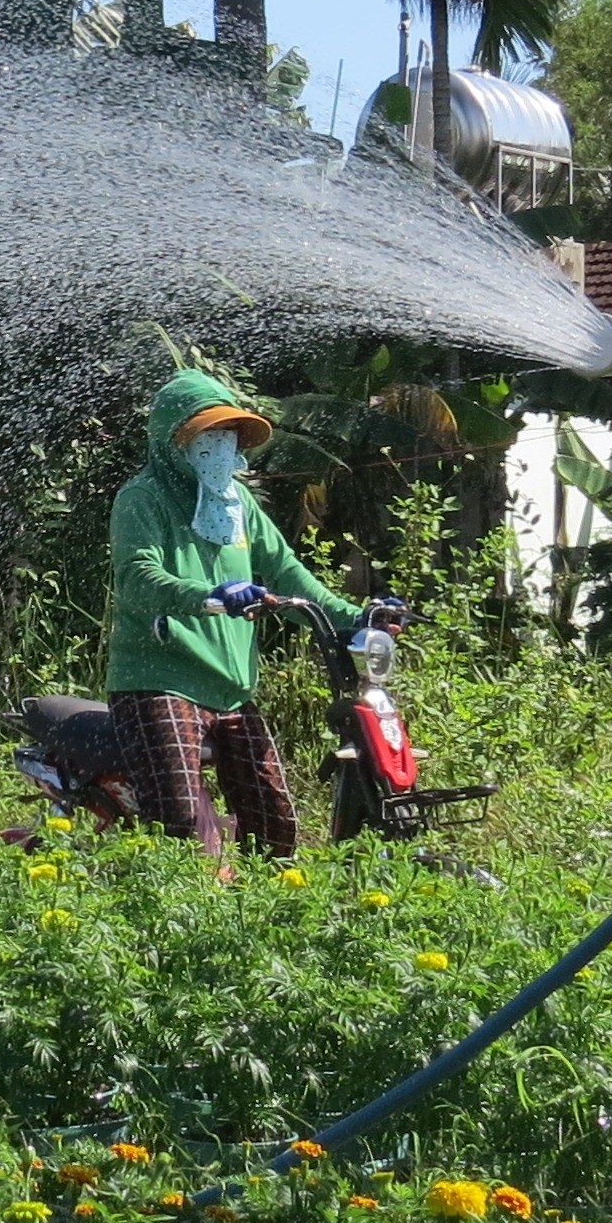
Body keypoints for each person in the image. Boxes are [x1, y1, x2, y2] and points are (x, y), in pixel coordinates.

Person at [103, 369, 356, 863]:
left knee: (275, 825)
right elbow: (137, 579)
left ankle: (264, 922)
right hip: (160, 679)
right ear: (172, 441)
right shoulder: (143, 498)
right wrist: (209, 595)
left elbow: (287, 573)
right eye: (206, 436)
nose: (219, 448)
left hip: (231, 686)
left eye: (227, 436)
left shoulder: (235, 502)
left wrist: (357, 617)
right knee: (174, 824)